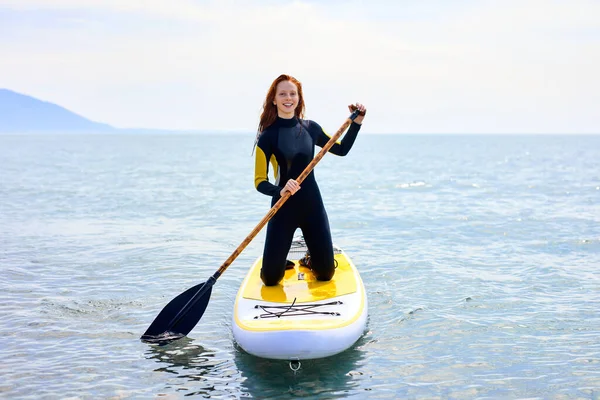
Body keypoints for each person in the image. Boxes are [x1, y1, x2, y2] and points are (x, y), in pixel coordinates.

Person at [253, 74, 367, 286]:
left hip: (312, 206)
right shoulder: (267, 136)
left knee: (325, 274)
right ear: (274, 99)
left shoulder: (310, 128)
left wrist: (356, 123)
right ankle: (278, 262)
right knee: (270, 279)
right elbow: (260, 181)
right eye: (283, 94)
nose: (288, 98)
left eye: (293, 93)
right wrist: (280, 189)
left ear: (299, 98)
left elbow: (341, 150)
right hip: (282, 208)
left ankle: (309, 259)